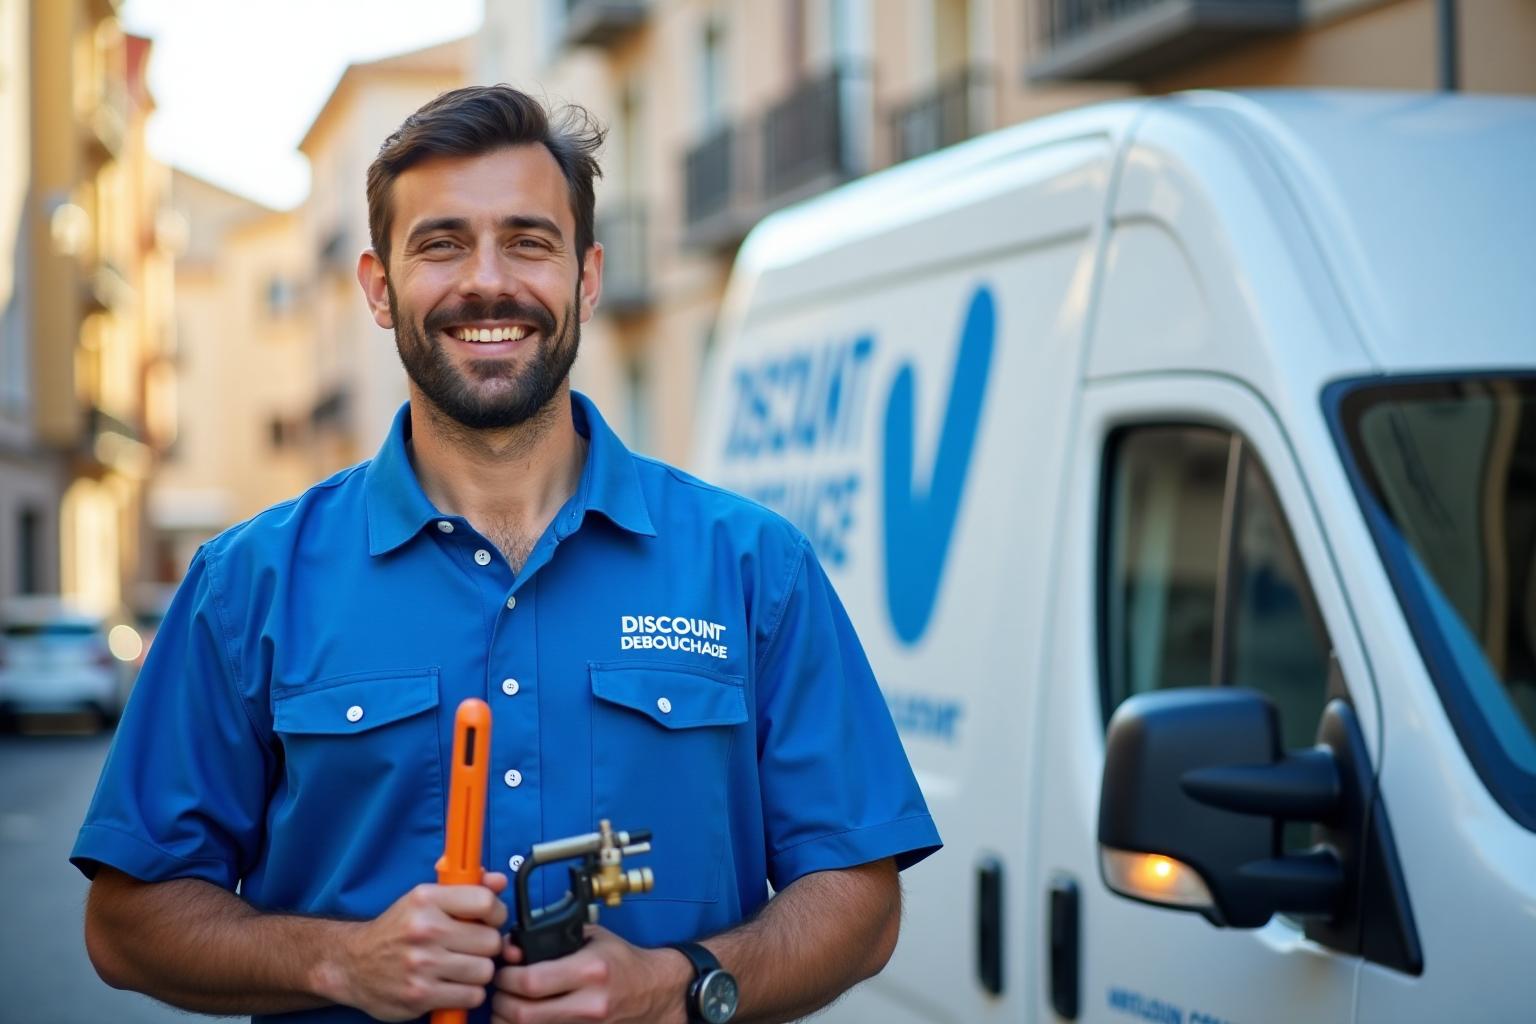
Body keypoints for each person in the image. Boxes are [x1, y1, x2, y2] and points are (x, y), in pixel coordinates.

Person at [73, 85, 940, 1024]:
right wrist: (339, 963)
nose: (488, 282)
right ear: (377, 286)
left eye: (529, 242)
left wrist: (681, 989)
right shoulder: (246, 587)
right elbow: (127, 923)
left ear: (587, 276)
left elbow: (860, 897)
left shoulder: (754, 568)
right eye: (441, 244)